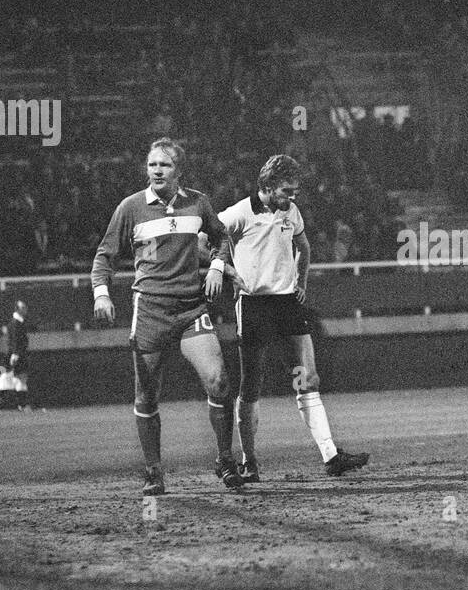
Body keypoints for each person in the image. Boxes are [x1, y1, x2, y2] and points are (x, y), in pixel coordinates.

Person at [91, 138, 247, 496]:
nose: (157, 171)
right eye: (152, 165)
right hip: (150, 311)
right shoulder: (130, 208)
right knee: (146, 397)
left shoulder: (198, 203)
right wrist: (102, 293)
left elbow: (222, 237)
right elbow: (105, 255)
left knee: (219, 381)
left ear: (179, 171)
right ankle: (153, 471)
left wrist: (218, 267)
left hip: (191, 308)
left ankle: (225, 461)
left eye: (165, 165)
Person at [215, 154, 370, 481]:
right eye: (287, 190)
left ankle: (330, 455)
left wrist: (301, 282)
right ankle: (250, 462)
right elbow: (206, 238)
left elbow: (304, 247)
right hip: (254, 305)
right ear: (268, 187)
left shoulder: (291, 212)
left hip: (287, 305)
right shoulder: (240, 213)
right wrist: (225, 269)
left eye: (295, 191)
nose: (292, 197)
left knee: (306, 378)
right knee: (252, 385)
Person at [7, 300, 31, 411]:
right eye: (23, 307)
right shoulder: (16, 323)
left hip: (19, 353)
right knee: (21, 379)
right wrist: (15, 354)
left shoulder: (18, 322)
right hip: (18, 354)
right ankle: (22, 404)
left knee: (20, 379)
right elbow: (16, 340)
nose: (25, 309)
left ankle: (21, 404)